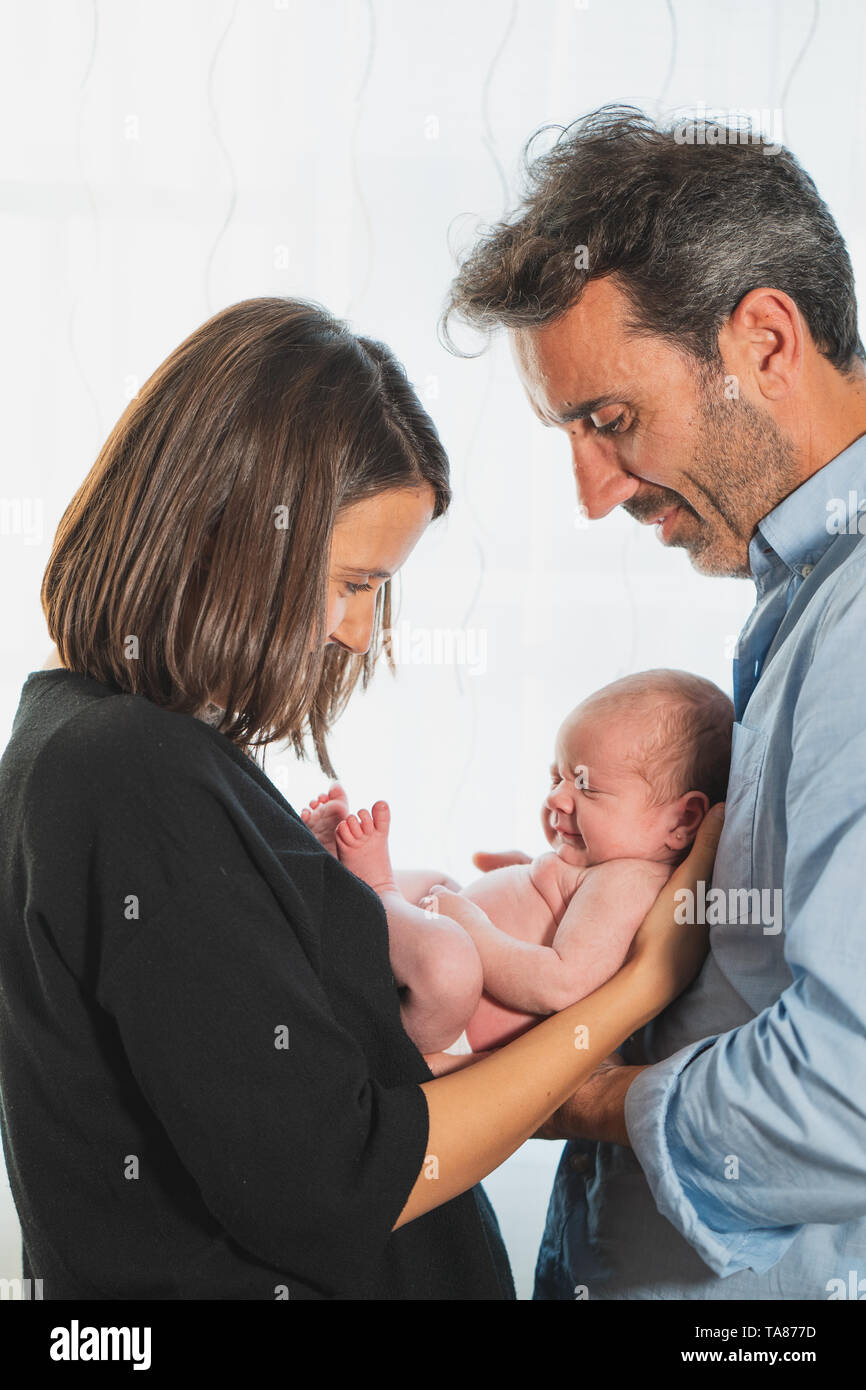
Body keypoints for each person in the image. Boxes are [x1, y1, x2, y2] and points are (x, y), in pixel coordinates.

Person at [0, 295, 721, 1300]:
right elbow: (341, 1177)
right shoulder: (125, 771)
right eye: (345, 581)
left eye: (377, 590)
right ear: (228, 523)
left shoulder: (126, 749)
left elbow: (306, 1102)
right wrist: (646, 977)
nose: (354, 630)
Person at [443, 103, 866, 1299]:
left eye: (609, 421)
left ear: (766, 343)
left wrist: (569, 1092)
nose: (589, 493)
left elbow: (850, 1084)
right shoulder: (805, 587)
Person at [303, 670, 733, 1054]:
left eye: (587, 788)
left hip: (447, 1021)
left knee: (450, 952)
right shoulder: (610, 867)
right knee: (440, 883)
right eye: (557, 777)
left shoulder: (631, 882)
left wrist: (474, 927)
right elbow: (572, 919)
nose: (556, 797)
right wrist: (530, 872)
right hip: (428, 983)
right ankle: (347, 887)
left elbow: (560, 984)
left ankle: (372, 887)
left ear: (683, 819)